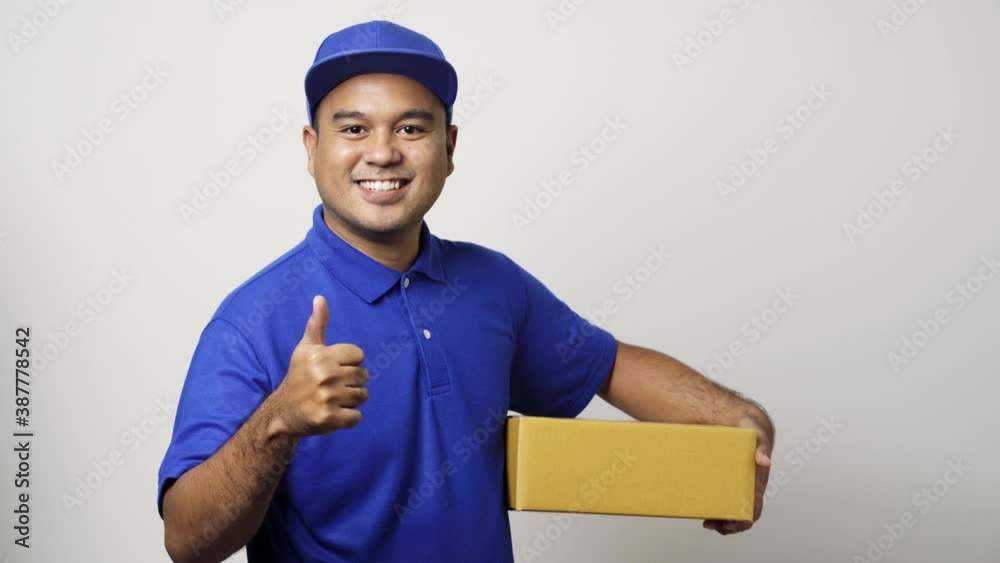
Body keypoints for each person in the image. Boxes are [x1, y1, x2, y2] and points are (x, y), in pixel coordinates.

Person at [157, 19, 775, 563]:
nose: (382, 152)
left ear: (448, 149)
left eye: (410, 127)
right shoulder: (251, 321)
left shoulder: (492, 285)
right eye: (353, 128)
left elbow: (608, 364)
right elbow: (189, 543)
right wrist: (280, 420)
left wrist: (740, 426)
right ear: (312, 149)